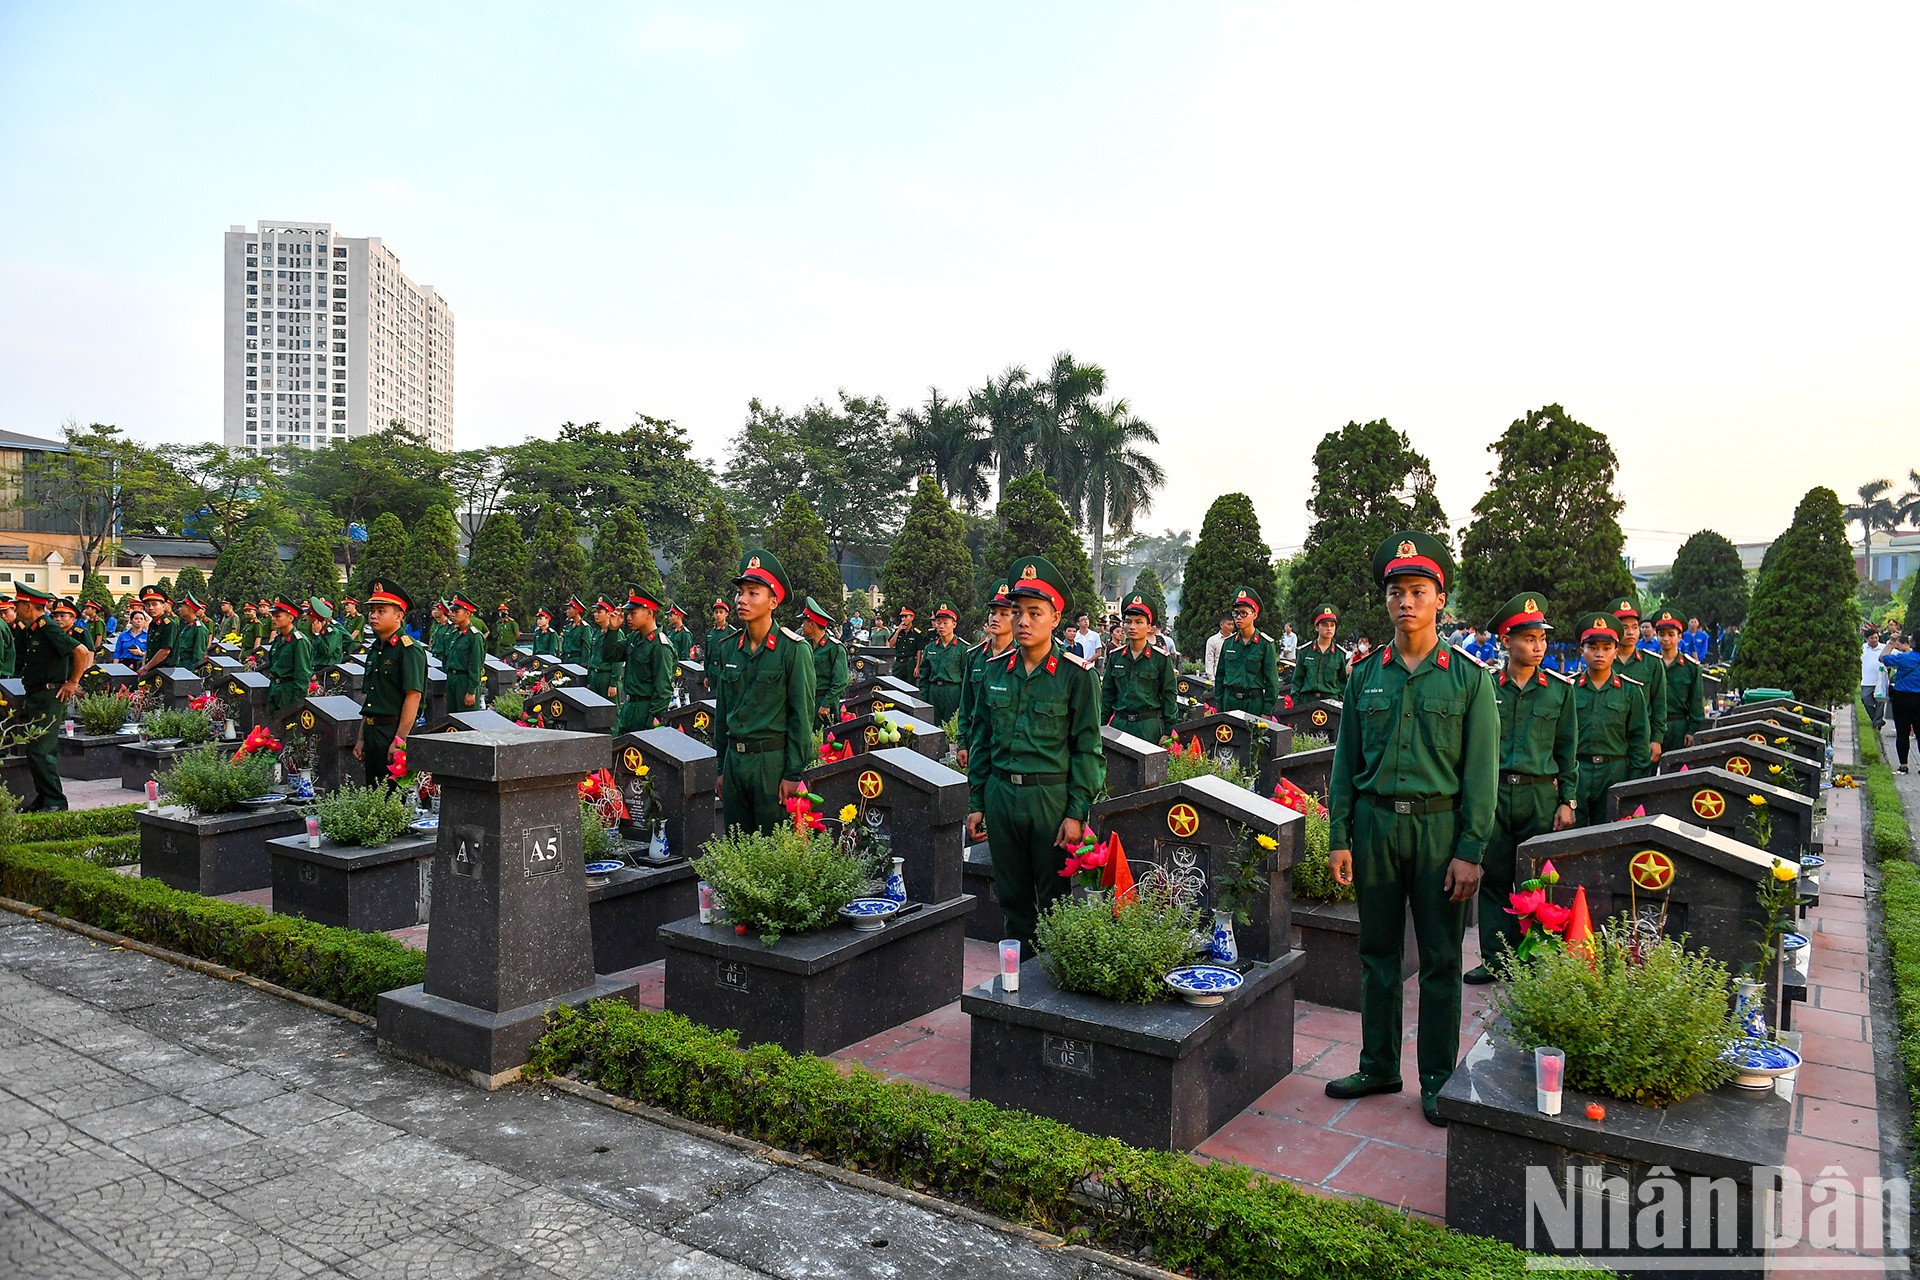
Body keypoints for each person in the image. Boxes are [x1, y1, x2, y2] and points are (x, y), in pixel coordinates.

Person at [1324, 531, 1497, 1127]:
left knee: (1442, 960)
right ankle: (1378, 1065)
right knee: (1377, 953)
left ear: (1439, 601)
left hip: (1439, 831)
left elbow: (1481, 775)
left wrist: (1471, 849)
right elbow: (1345, 762)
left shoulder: (1469, 679)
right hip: (1375, 827)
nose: (1406, 601)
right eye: (1396, 591)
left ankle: (1438, 1079)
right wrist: (1339, 836)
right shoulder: (1364, 674)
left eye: (1418, 591)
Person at [966, 557, 1104, 955]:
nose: (1022, 621)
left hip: (1049, 800)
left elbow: (1088, 750)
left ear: (1055, 618)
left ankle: (1052, 977)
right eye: (1016, 612)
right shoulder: (995, 670)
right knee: (1012, 899)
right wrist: (976, 802)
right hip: (1001, 795)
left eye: (1034, 612)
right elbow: (981, 739)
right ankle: (1019, 979)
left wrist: (1076, 813)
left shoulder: (1077, 675)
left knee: (1055, 900)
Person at [1463, 593, 1577, 985]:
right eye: (1529, 639)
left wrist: (1567, 801)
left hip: (1539, 795)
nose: (1538, 646)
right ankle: (1496, 960)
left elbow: (1567, 751)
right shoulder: (1485, 685)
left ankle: (1533, 961)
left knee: (1536, 881)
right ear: (1506, 641)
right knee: (1494, 878)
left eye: (1541, 639)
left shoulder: (1560, 690)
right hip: (1494, 794)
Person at [712, 550, 816, 836]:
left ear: (773, 602)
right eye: (740, 592)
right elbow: (723, 713)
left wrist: (793, 773)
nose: (742, 600)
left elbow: (802, 716)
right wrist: (721, 767)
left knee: (772, 844)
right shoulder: (729, 648)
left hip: (770, 764)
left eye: (753, 593)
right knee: (736, 844)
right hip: (735, 762)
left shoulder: (793, 649)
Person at [10, 583, 90, 812]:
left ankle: (55, 801)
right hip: (37, 694)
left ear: (28, 606)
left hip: (49, 695)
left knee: (41, 750)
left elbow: (82, 652)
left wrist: (73, 682)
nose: (15, 609)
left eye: (18, 604)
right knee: (35, 749)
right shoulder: (34, 629)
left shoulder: (48, 628)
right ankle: (44, 797)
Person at [1569, 613, 1651, 827]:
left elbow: (1639, 741)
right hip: (1577, 772)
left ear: (1616, 651)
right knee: (1570, 835)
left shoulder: (1630, 691)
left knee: (1609, 833)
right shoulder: (1568, 689)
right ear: (1582, 650)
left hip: (1614, 772)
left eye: (1606, 648)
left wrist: (1634, 786)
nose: (1599, 654)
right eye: (1592, 647)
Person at [354, 581, 427, 786]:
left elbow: (413, 696)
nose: (373, 616)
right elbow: (372, 698)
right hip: (372, 732)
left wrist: (400, 741)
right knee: (373, 791)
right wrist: (361, 738)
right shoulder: (376, 649)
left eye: (381, 611)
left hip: (392, 730)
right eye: (372, 611)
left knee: (393, 794)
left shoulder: (408, 650)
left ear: (398, 616)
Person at [1102, 591, 1178, 744]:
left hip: (1148, 727)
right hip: (1119, 725)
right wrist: (1102, 726)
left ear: (1149, 627)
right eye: (1128, 622)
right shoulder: (1116, 656)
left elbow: (1169, 695)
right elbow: (1107, 694)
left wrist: (1168, 730)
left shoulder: (1160, 658)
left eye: (1139, 622)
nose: (1132, 627)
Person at [956, 580, 1014, 773]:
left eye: (1004, 614)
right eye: (992, 613)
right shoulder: (975, 655)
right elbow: (966, 703)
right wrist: (963, 742)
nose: (995, 618)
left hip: (1009, 746)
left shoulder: (1022, 657)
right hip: (978, 742)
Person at [1608, 597, 1666, 769]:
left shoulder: (1652, 663)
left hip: (1642, 739)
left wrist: (1657, 739)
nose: (1631, 632)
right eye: (1624, 628)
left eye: (1635, 627)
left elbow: (1659, 704)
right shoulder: (1604, 662)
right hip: (1612, 739)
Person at [615, 586, 675, 734]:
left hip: (645, 709)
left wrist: (653, 722)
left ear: (649, 613)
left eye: (633, 613)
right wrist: (613, 630)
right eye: (628, 613)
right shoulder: (634, 637)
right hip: (629, 707)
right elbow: (610, 655)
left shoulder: (660, 646)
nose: (628, 618)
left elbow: (663, 690)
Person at [1215, 587, 1278, 715]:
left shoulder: (1265, 644)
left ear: (1254, 615)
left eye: (1243, 613)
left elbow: (1272, 681)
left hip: (1253, 703)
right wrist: (1219, 707)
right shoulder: (1228, 643)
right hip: (1230, 701)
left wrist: (1267, 711)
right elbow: (1220, 677)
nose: (1238, 617)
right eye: (1236, 613)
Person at [1649, 608, 1705, 753]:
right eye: (1661, 634)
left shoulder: (1691, 667)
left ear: (1680, 636)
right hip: (1652, 727)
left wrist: (1692, 731)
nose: (1666, 639)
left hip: (1679, 726)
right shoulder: (1649, 664)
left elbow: (1696, 701)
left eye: (1671, 634)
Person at [800, 597, 848, 726]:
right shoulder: (805, 645)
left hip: (824, 703)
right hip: (807, 701)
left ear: (812, 624)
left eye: (804, 622)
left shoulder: (834, 648)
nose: (802, 626)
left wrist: (826, 704)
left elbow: (841, 681)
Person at [919, 603, 968, 724]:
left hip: (953, 692)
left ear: (954, 624)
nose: (941, 626)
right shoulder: (930, 648)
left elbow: (966, 678)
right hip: (933, 691)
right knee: (932, 726)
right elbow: (924, 676)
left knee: (952, 726)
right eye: (938, 622)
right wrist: (923, 700)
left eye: (946, 623)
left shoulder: (963, 648)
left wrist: (964, 702)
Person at [263, 597, 313, 715]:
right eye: (273, 616)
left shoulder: (299, 641)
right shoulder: (278, 639)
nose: (273, 619)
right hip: (275, 690)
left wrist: (297, 703)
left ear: (290, 618)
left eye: (278, 616)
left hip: (289, 692)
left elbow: (302, 674)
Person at [1292, 604, 1350, 701]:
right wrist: (1297, 703)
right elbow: (1297, 680)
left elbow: (1343, 683)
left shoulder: (1340, 654)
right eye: (1324, 625)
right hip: (1308, 700)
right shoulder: (1305, 651)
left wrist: (1340, 703)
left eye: (1332, 625)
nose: (1329, 628)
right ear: (1316, 627)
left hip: (1331, 700)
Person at [1879, 637, 1920, 772]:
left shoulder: (1904, 657)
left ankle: (1903, 764)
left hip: (1902, 697)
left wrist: (1891, 642)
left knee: (1902, 732)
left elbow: (1882, 658)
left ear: (1914, 643)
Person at [442, 595, 487, 712]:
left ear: (467, 613)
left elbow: (476, 665)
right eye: (452, 611)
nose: (452, 615)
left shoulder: (474, 636)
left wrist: (471, 691)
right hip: (452, 679)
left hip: (465, 681)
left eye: (457, 612)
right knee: (451, 716)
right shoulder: (454, 633)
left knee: (466, 717)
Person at [133, 586, 176, 679]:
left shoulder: (168, 624)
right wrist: (144, 665)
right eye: (147, 605)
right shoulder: (152, 624)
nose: (151, 608)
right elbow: (149, 648)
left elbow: (165, 651)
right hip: (152, 670)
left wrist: (146, 668)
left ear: (163, 606)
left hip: (165, 672)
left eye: (154, 604)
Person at [589, 597, 626, 700]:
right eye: (595, 612)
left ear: (609, 614)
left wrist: (613, 683)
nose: (595, 614)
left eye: (599, 612)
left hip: (606, 677)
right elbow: (592, 655)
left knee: (610, 708)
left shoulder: (616, 634)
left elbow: (617, 661)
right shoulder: (597, 632)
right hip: (595, 675)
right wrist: (590, 676)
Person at [172, 595, 210, 672]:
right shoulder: (188, 625)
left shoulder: (199, 628)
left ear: (189, 609)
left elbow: (199, 653)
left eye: (182, 607)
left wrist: (195, 670)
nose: (179, 609)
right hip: (180, 665)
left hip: (189, 668)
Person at [1862, 629, 1888, 731]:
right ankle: (1876, 719)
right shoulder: (1863, 648)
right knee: (1865, 698)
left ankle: (1877, 722)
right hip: (1867, 679)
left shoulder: (1884, 648)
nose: (1874, 640)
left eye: (1876, 637)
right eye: (1872, 638)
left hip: (1880, 679)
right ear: (1866, 639)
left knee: (1880, 702)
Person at [308, 599, 341, 670]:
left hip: (327, 667)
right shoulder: (313, 629)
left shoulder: (332, 632)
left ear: (315, 619)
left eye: (309, 616)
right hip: (315, 665)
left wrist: (317, 634)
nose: (307, 618)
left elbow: (326, 651)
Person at [559, 597, 594, 667]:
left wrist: (584, 665)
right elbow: (564, 645)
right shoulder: (568, 626)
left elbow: (586, 648)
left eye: (569, 609)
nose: (567, 611)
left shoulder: (584, 627)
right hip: (566, 660)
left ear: (576, 611)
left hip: (577, 661)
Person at [702, 598, 733, 664]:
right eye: (716, 612)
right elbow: (706, 655)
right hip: (711, 667)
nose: (718, 615)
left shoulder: (731, 632)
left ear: (726, 614)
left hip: (724, 667)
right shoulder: (710, 632)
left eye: (721, 612)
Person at [1204, 615, 1231, 682]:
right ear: (1221, 625)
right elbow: (1209, 660)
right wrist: (1211, 678)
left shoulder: (1235, 640)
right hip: (1218, 677)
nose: (1231, 627)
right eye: (1229, 624)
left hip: (1232, 678)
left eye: (1232, 624)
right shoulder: (1212, 640)